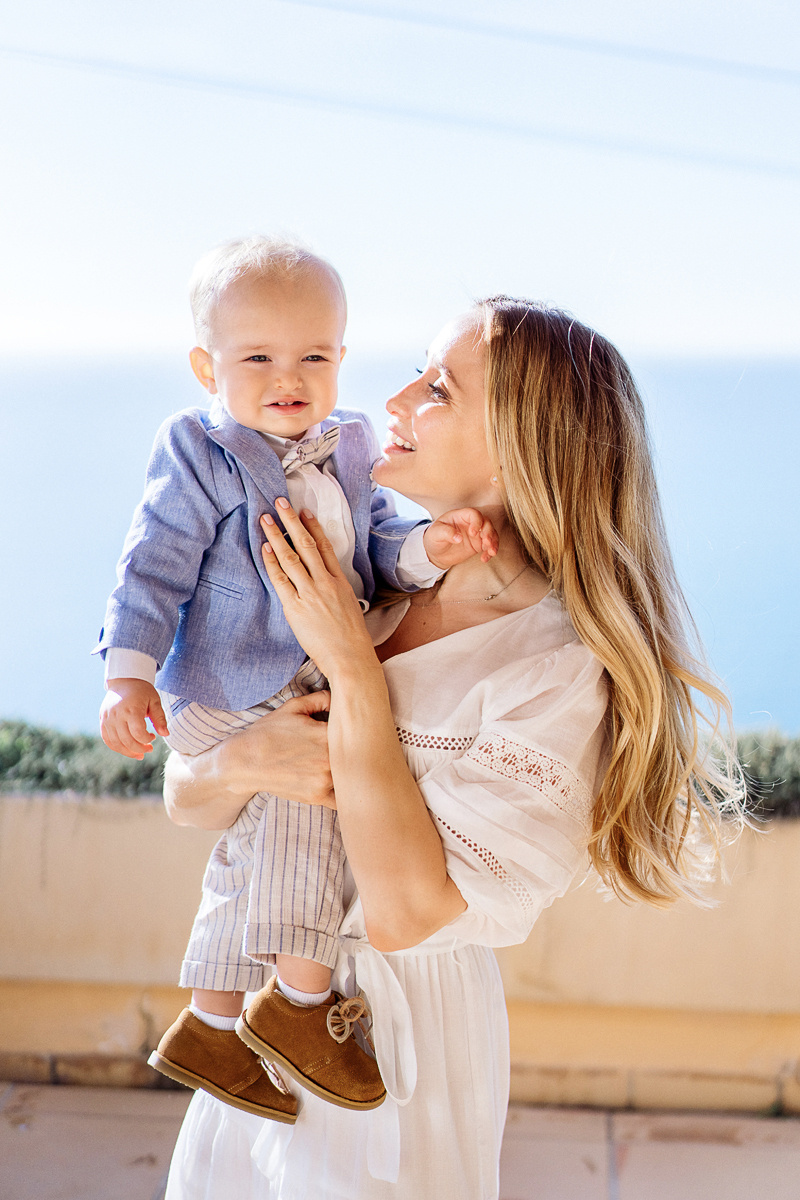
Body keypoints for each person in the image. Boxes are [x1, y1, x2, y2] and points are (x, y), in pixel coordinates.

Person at [161, 297, 743, 1200]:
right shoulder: (365, 579)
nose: (393, 400)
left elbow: (406, 914)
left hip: (390, 1051)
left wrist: (352, 669)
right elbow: (187, 797)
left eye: (437, 390)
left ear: (518, 445)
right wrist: (241, 761)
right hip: (252, 1018)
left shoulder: (554, 666)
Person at [93, 235, 499, 1121]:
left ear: (342, 357)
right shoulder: (199, 448)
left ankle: (211, 1021)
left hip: (295, 673)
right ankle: (300, 1004)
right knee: (318, 804)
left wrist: (430, 548)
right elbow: (152, 566)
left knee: (255, 844)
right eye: (258, 358)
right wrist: (128, 676)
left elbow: (375, 548)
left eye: (314, 356)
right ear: (208, 367)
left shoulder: (350, 445)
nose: (290, 377)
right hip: (227, 681)